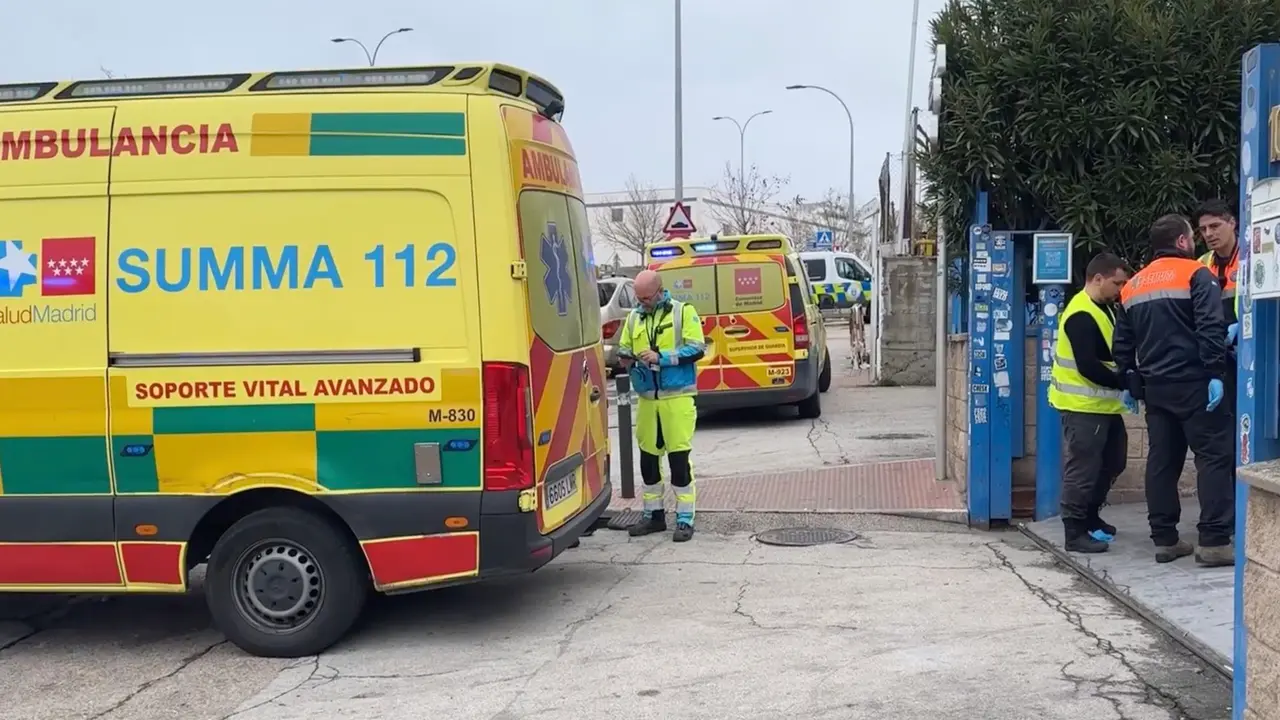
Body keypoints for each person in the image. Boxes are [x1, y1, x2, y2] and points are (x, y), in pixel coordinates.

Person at [1113, 214, 1235, 567]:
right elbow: (1211, 325)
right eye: (1192, 236)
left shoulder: (1133, 285)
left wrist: (1129, 379)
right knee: (1213, 458)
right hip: (1197, 384)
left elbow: (1122, 343)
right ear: (1182, 242)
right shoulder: (1197, 274)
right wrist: (1215, 371)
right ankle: (1213, 541)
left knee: (1162, 462)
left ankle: (1165, 539)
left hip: (1156, 389)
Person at [1049, 253, 1134, 554]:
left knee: (1113, 462)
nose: (1120, 289)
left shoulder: (1105, 308)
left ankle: (1090, 517)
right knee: (1083, 470)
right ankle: (1074, 532)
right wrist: (1125, 382)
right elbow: (1088, 366)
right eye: (1116, 283)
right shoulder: (1081, 314)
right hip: (1082, 407)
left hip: (1105, 408)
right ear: (1097, 279)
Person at [618, 270, 707, 543]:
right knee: (648, 460)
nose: (641, 302)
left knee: (678, 461)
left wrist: (662, 357)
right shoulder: (634, 317)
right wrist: (628, 358)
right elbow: (623, 347)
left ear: (659, 291)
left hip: (676, 399)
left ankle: (684, 518)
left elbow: (697, 348)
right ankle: (654, 516)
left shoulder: (682, 312)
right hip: (647, 399)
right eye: (638, 297)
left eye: (646, 297)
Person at [1193, 199, 1241, 411]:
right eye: (1203, 229)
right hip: (1216, 352)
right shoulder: (1201, 264)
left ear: (1232, 223)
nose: (1209, 234)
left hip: (1250, 348)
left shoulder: (1252, 256)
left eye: (1215, 226)